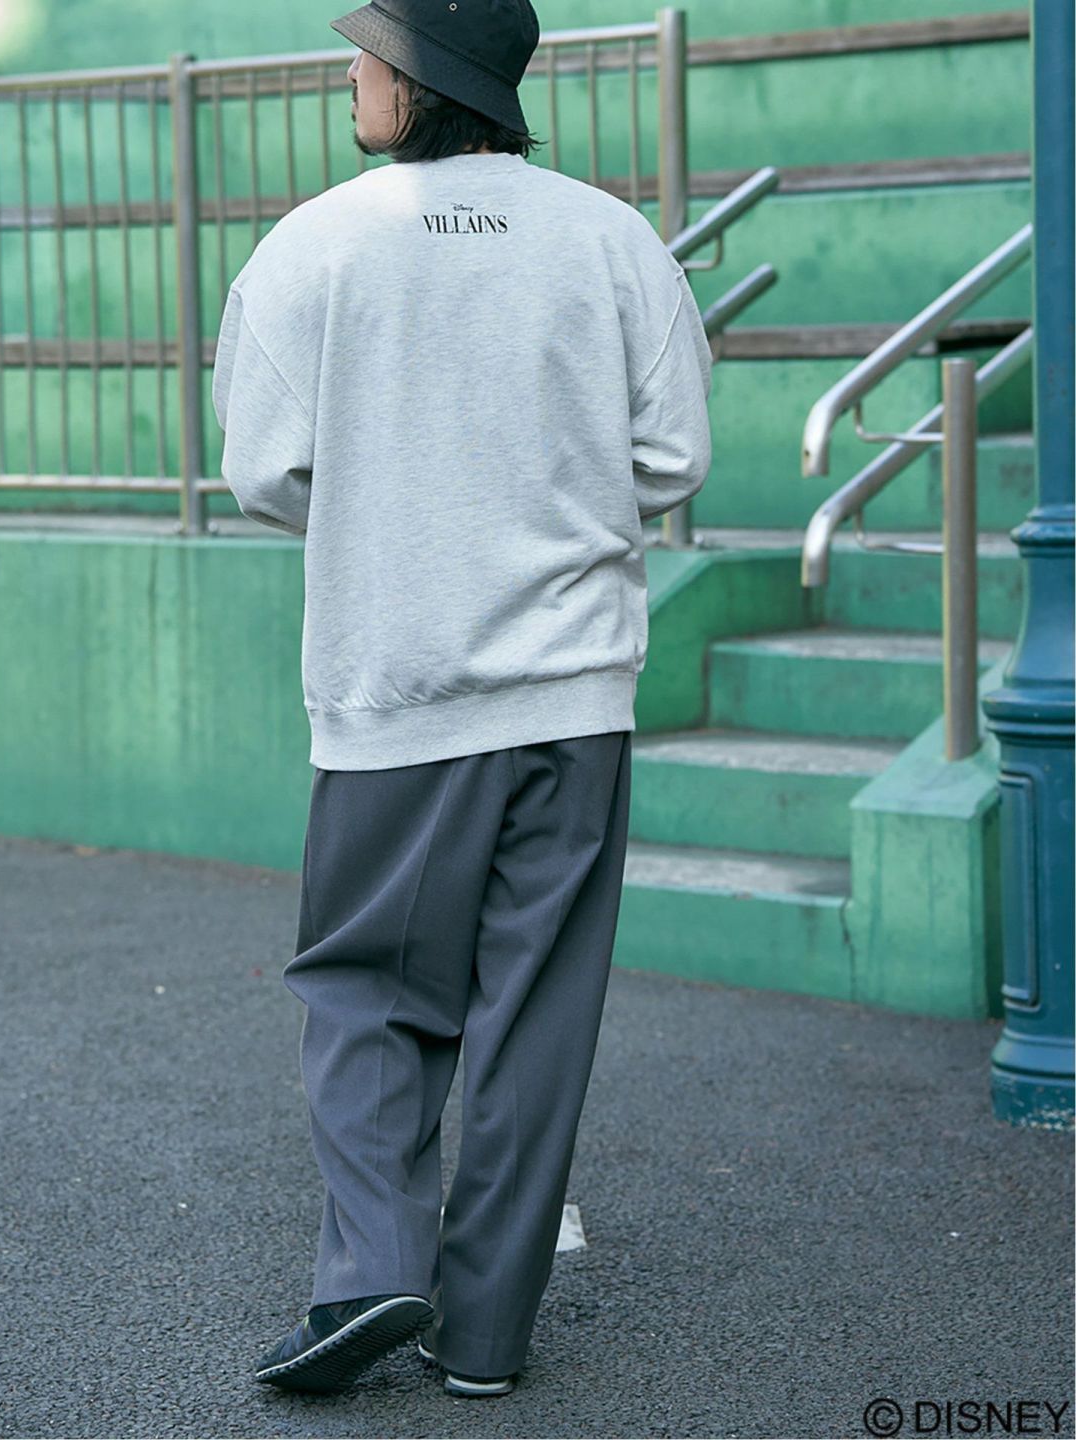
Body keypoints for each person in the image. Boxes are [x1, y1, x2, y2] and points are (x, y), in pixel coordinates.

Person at [210, 0, 713, 1401]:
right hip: (575, 696)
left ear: (420, 78)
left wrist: (395, 494)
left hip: (403, 686)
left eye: (368, 53)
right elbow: (673, 456)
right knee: (539, 1009)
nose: (350, 73)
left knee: (368, 987)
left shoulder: (315, 244)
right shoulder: (611, 238)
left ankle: (375, 1267)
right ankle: (486, 1337)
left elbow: (263, 472)